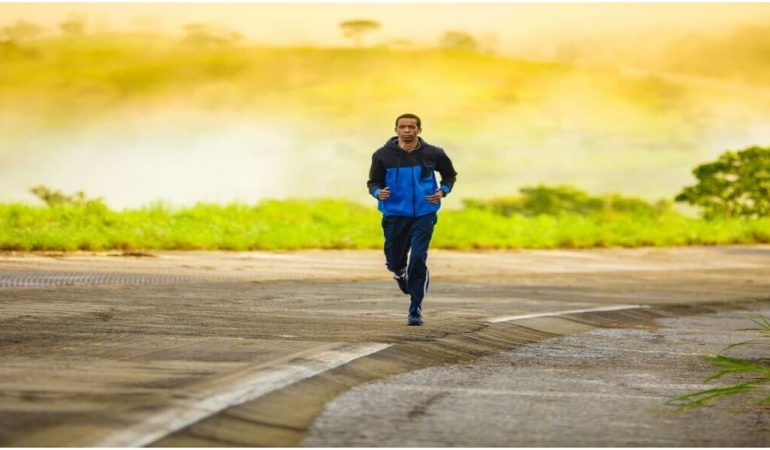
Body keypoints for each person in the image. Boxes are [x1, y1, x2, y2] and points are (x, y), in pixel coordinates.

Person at [366, 113, 458, 326]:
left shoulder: (433, 153)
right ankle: (399, 272)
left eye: (411, 127)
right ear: (396, 129)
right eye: (402, 127)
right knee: (394, 258)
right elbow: (373, 182)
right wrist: (378, 193)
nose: (407, 130)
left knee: (418, 258)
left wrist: (442, 191)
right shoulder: (382, 155)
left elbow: (450, 175)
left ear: (419, 130)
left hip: (425, 213)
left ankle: (415, 307)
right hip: (395, 214)